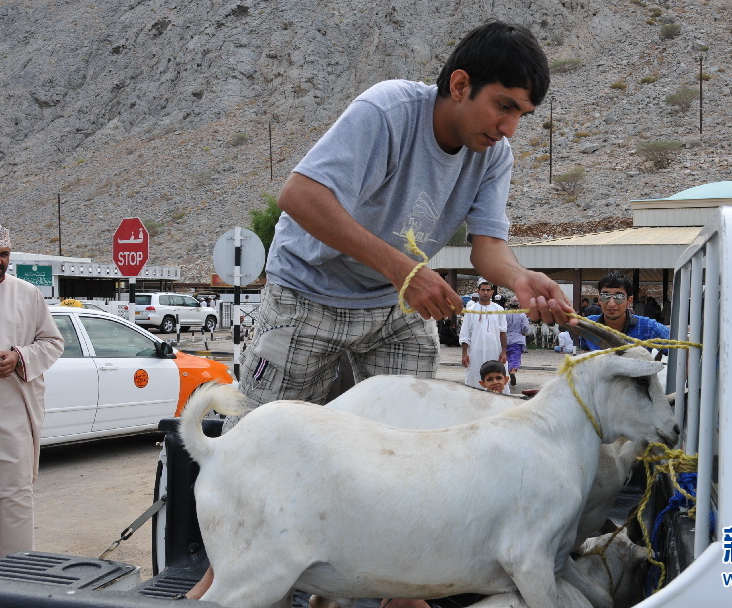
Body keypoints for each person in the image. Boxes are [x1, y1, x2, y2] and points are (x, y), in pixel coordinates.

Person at [187, 21, 574, 600]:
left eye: (522, 114)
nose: (509, 126)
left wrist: (521, 280)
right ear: (461, 85)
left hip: (392, 310)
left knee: (410, 465)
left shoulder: (494, 155)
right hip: (304, 297)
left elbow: (487, 247)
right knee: (255, 472)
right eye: (504, 106)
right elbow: (299, 196)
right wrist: (405, 270)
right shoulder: (388, 111)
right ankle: (220, 583)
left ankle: (396, 588)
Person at [0, 223, 64, 571]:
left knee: (15, 502)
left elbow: (53, 343)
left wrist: (20, 357)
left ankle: (18, 577)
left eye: (4, 254)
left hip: (14, 425)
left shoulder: (27, 294)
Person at [578, 271, 669, 356]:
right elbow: (585, 348)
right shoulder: (588, 325)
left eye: (619, 297)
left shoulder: (649, 327)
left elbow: (679, 348)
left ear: (629, 300)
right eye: (605, 296)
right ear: (599, 299)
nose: (611, 303)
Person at [460, 279, 509, 395]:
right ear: (478, 291)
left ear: (492, 292)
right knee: (475, 377)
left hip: (495, 350)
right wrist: (464, 353)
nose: (485, 293)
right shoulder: (471, 311)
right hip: (476, 352)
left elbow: (503, 332)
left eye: (488, 290)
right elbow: (465, 333)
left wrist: (503, 352)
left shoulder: (499, 310)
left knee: (498, 377)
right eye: (483, 290)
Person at [504, 297, 529, 386]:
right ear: (519, 305)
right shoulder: (522, 315)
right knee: (515, 357)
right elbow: (525, 327)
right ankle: (513, 371)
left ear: (509, 304)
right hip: (518, 339)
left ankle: (505, 373)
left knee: (505, 357)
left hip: (505, 339)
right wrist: (523, 332)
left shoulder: (505, 314)